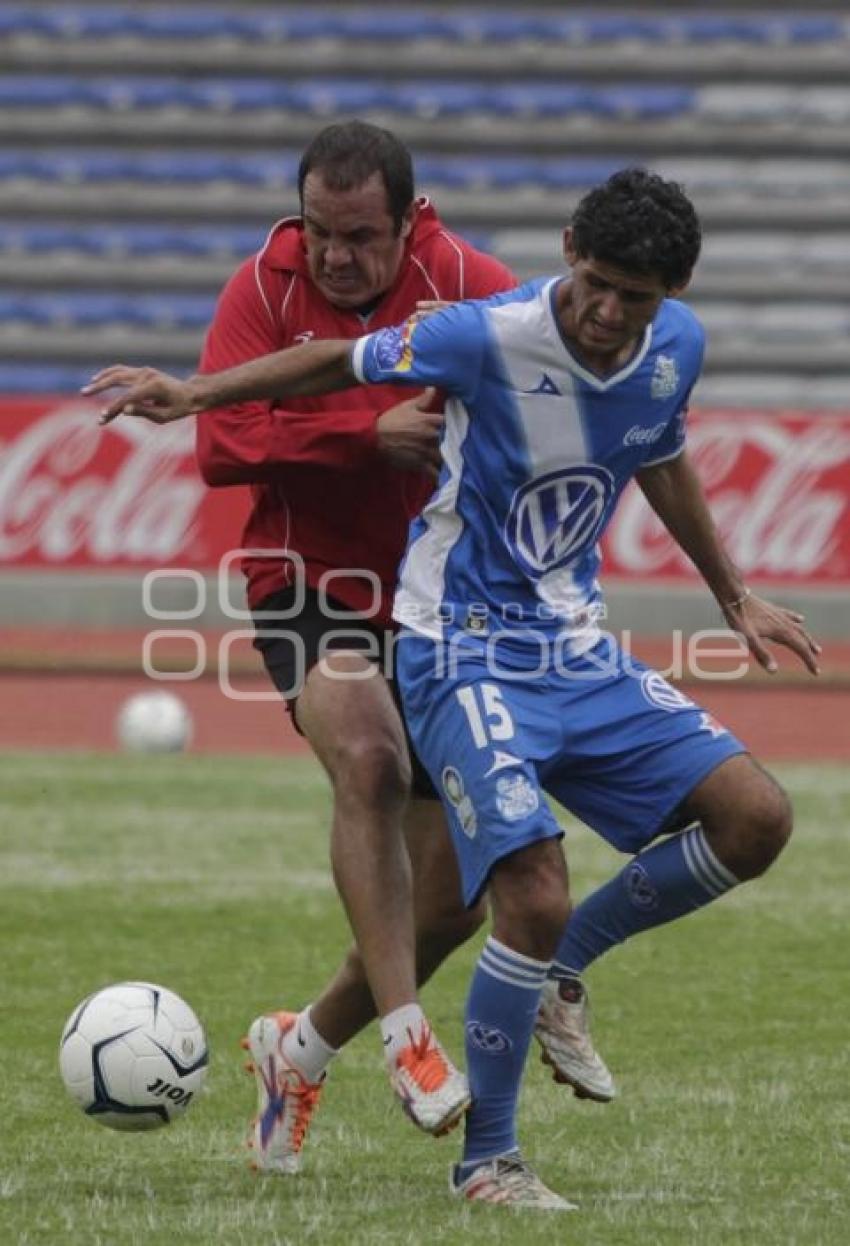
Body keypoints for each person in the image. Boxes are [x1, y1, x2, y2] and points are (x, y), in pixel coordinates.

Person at [87, 167, 821, 1209]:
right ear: (568, 248)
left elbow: (660, 454)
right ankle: (487, 1159)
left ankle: (495, 987)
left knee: (754, 819)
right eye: (597, 284)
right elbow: (338, 358)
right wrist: (192, 393)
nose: (609, 314)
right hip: (455, 645)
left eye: (637, 298)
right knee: (514, 880)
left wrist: (733, 594)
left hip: (571, 647)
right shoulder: (485, 332)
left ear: (672, 297)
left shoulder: (676, 346)